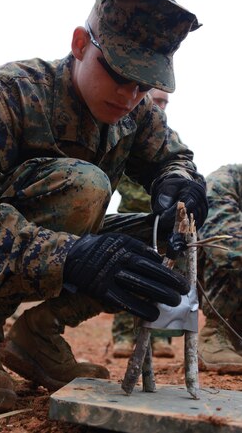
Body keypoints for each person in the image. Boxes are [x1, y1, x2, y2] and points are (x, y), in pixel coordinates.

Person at [0, 0, 208, 413]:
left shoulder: (136, 113)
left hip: (55, 246)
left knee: (168, 232)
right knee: (86, 186)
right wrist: (69, 256)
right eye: (119, 73)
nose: (129, 94)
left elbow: (174, 158)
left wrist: (180, 185)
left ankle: (38, 335)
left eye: (143, 84)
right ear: (81, 44)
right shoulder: (8, 93)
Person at [112, 89, 178, 359]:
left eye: (165, 101)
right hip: (133, 216)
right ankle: (123, 336)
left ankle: (162, 337)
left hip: (162, 223)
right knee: (125, 274)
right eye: (157, 99)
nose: (161, 105)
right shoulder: (130, 133)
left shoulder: (165, 139)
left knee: (165, 276)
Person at [198, 164, 242, 373]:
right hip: (193, 273)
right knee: (224, 246)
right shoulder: (222, 182)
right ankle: (213, 334)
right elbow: (229, 247)